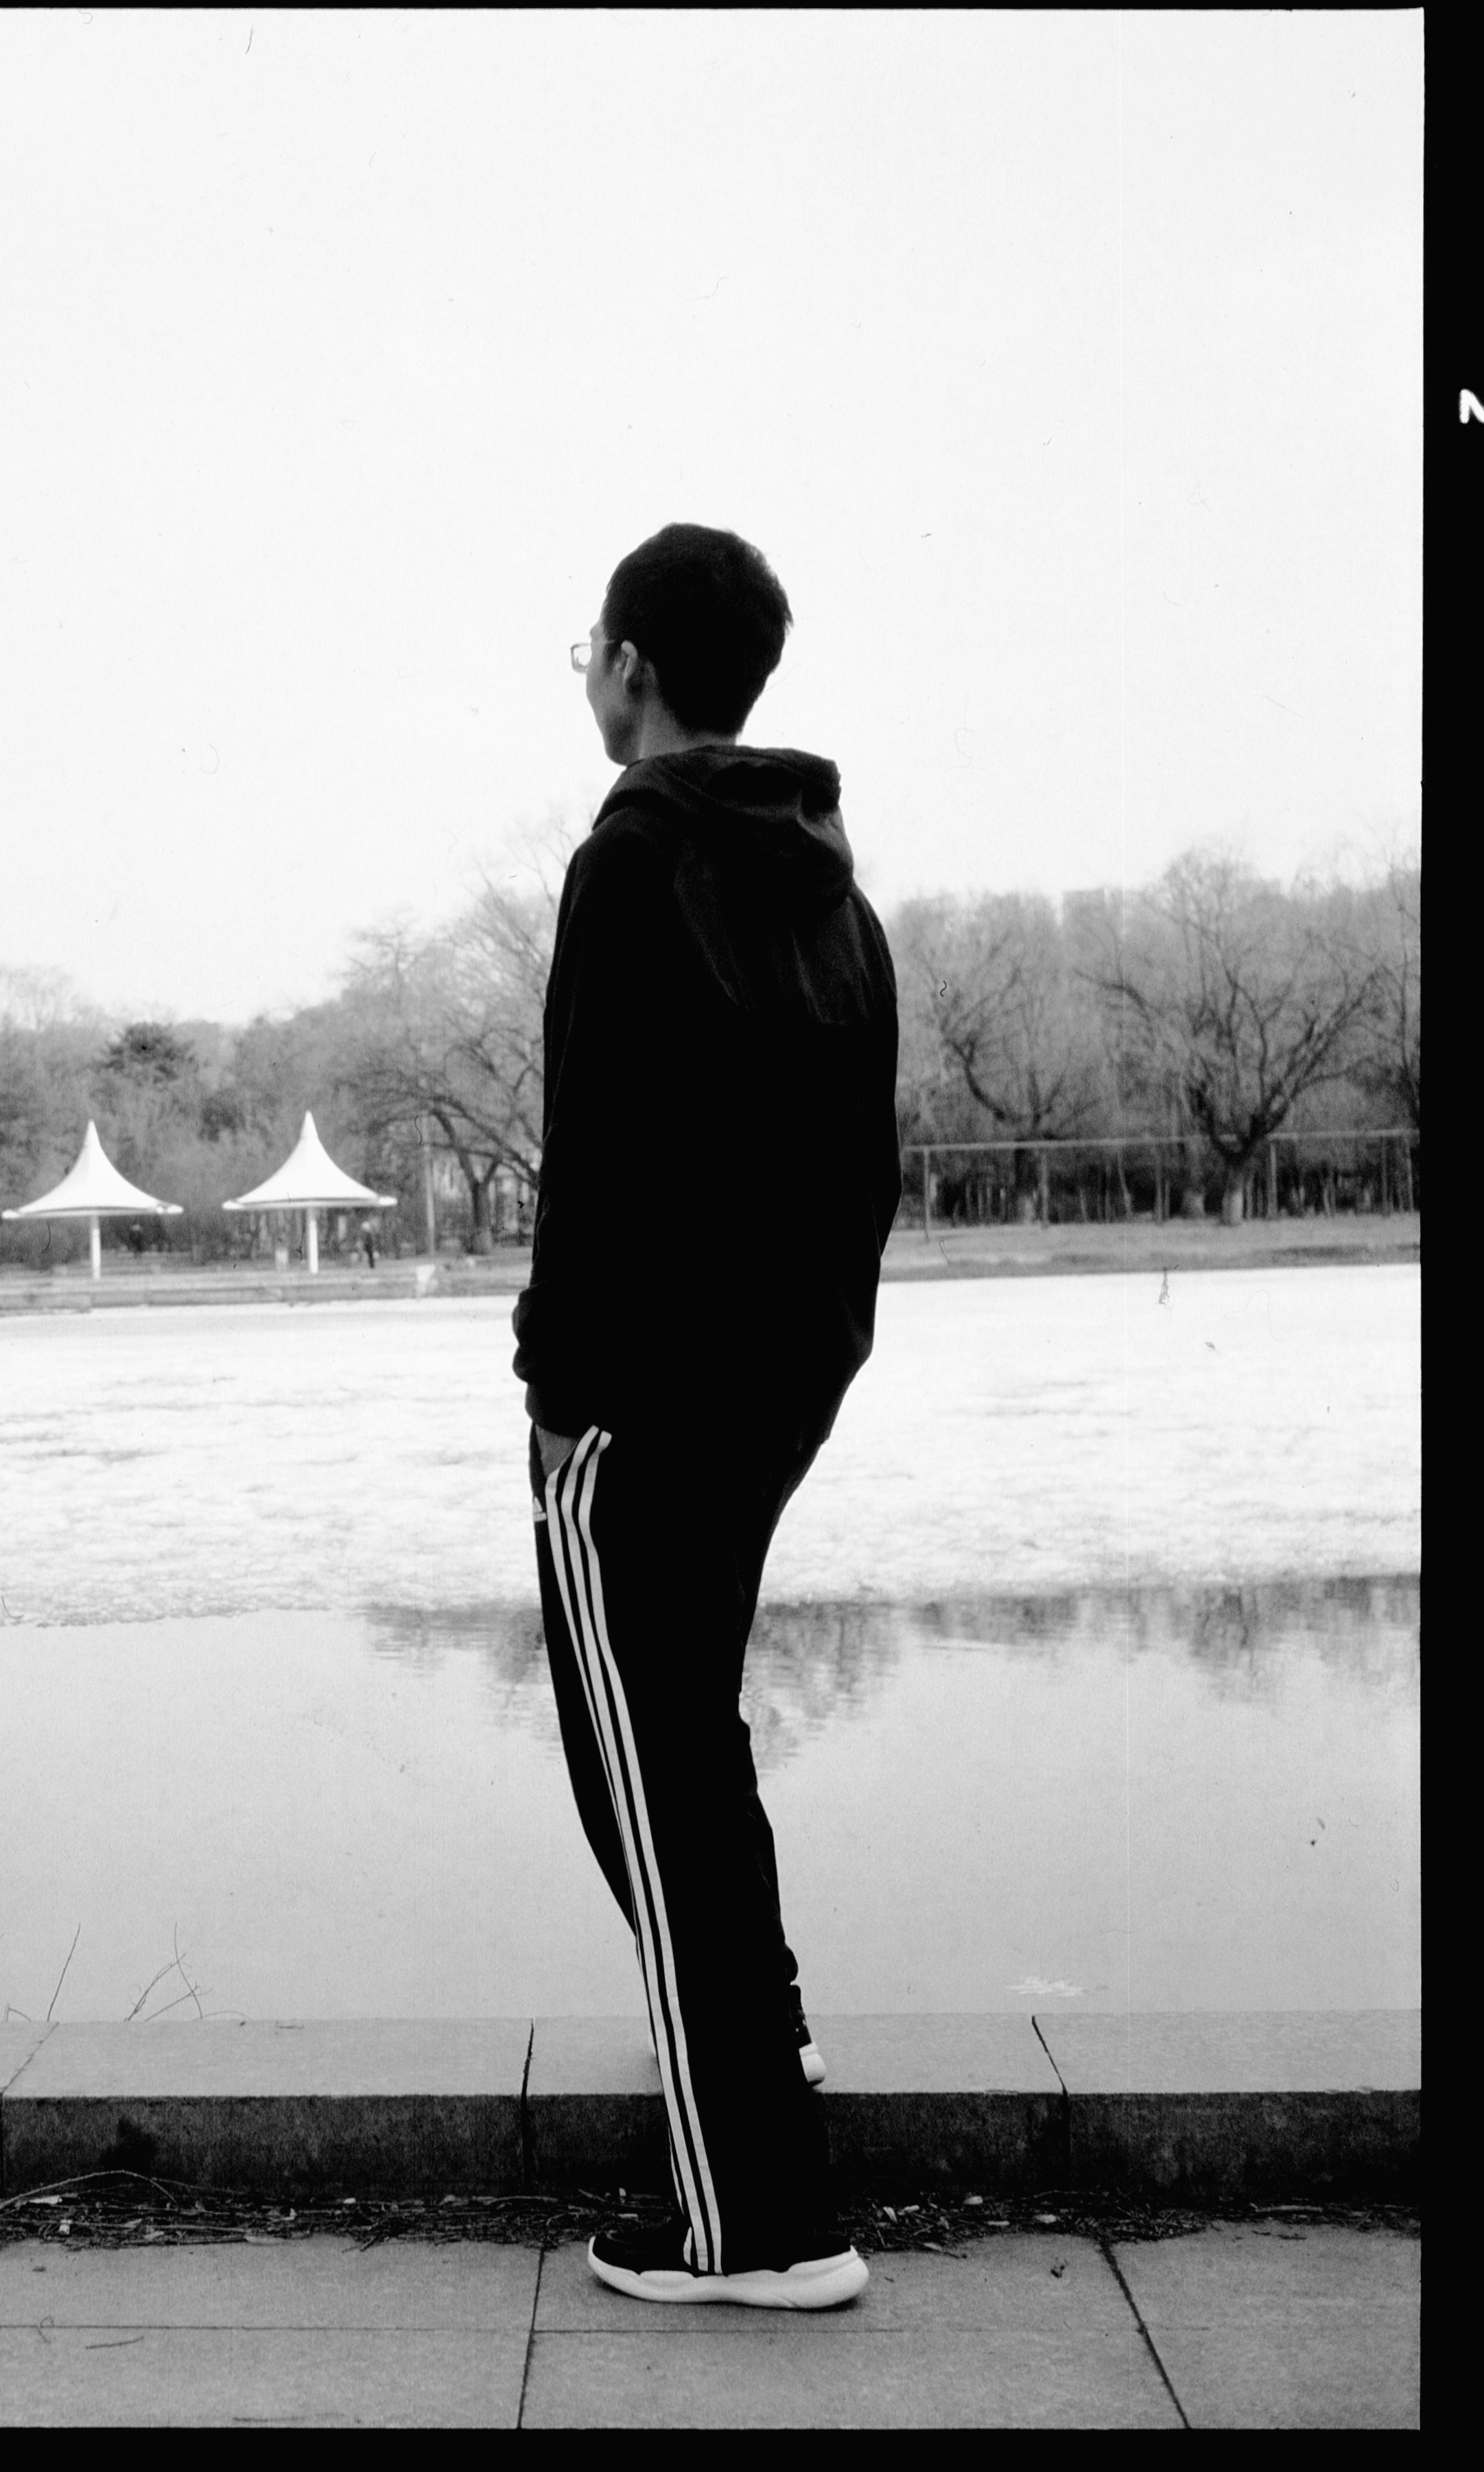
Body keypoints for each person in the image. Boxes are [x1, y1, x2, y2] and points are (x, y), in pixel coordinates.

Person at [515, 523, 902, 2311]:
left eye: (595, 646)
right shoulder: (828, 883)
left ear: (636, 665)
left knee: (646, 1778)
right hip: (768, 1397)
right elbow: (856, 1179)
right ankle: (770, 2084)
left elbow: (591, 1165)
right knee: (690, 1748)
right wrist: (813, 1367)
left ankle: (751, 2217)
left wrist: (560, 1395)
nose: (585, 671)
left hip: (641, 1418)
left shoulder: (634, 863)